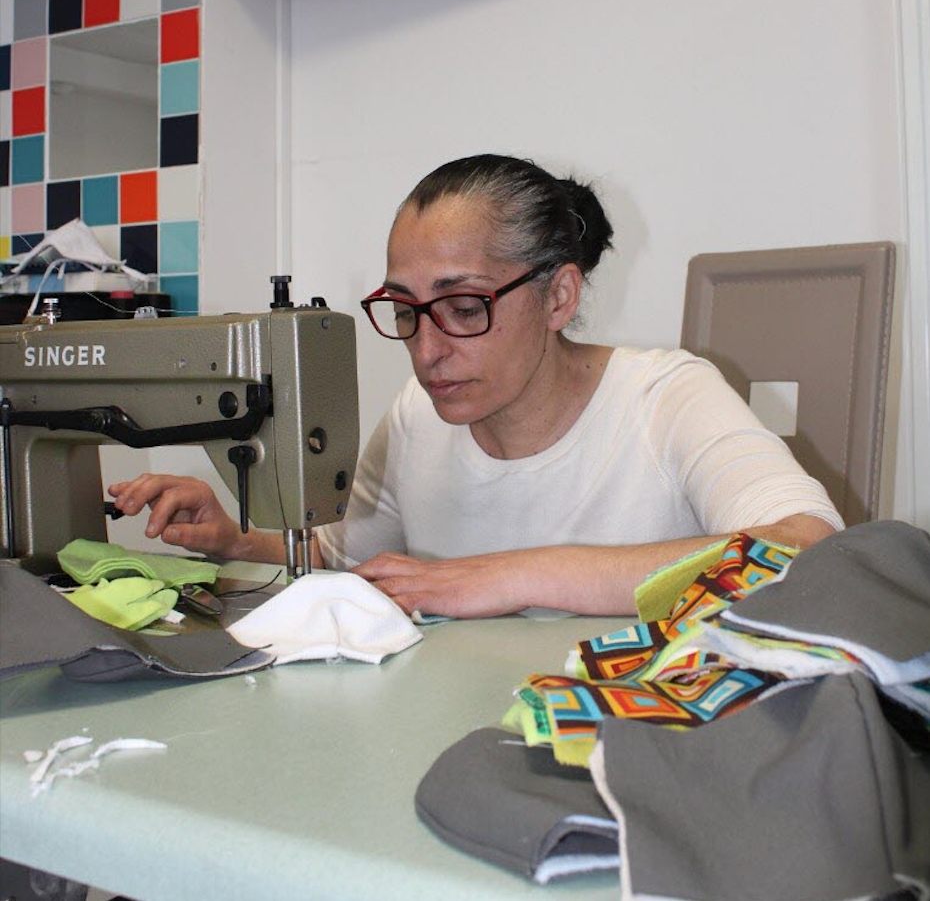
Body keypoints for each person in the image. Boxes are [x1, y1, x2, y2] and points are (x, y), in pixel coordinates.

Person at [109, 154, 843, 618]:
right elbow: (340, 555)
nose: (428, 351)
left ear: (558, 297)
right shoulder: (419, 421)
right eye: (405, 311)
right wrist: (233, 536)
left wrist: (508, 577)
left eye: (464, 308)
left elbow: (806, 551)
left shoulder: (665, 399)